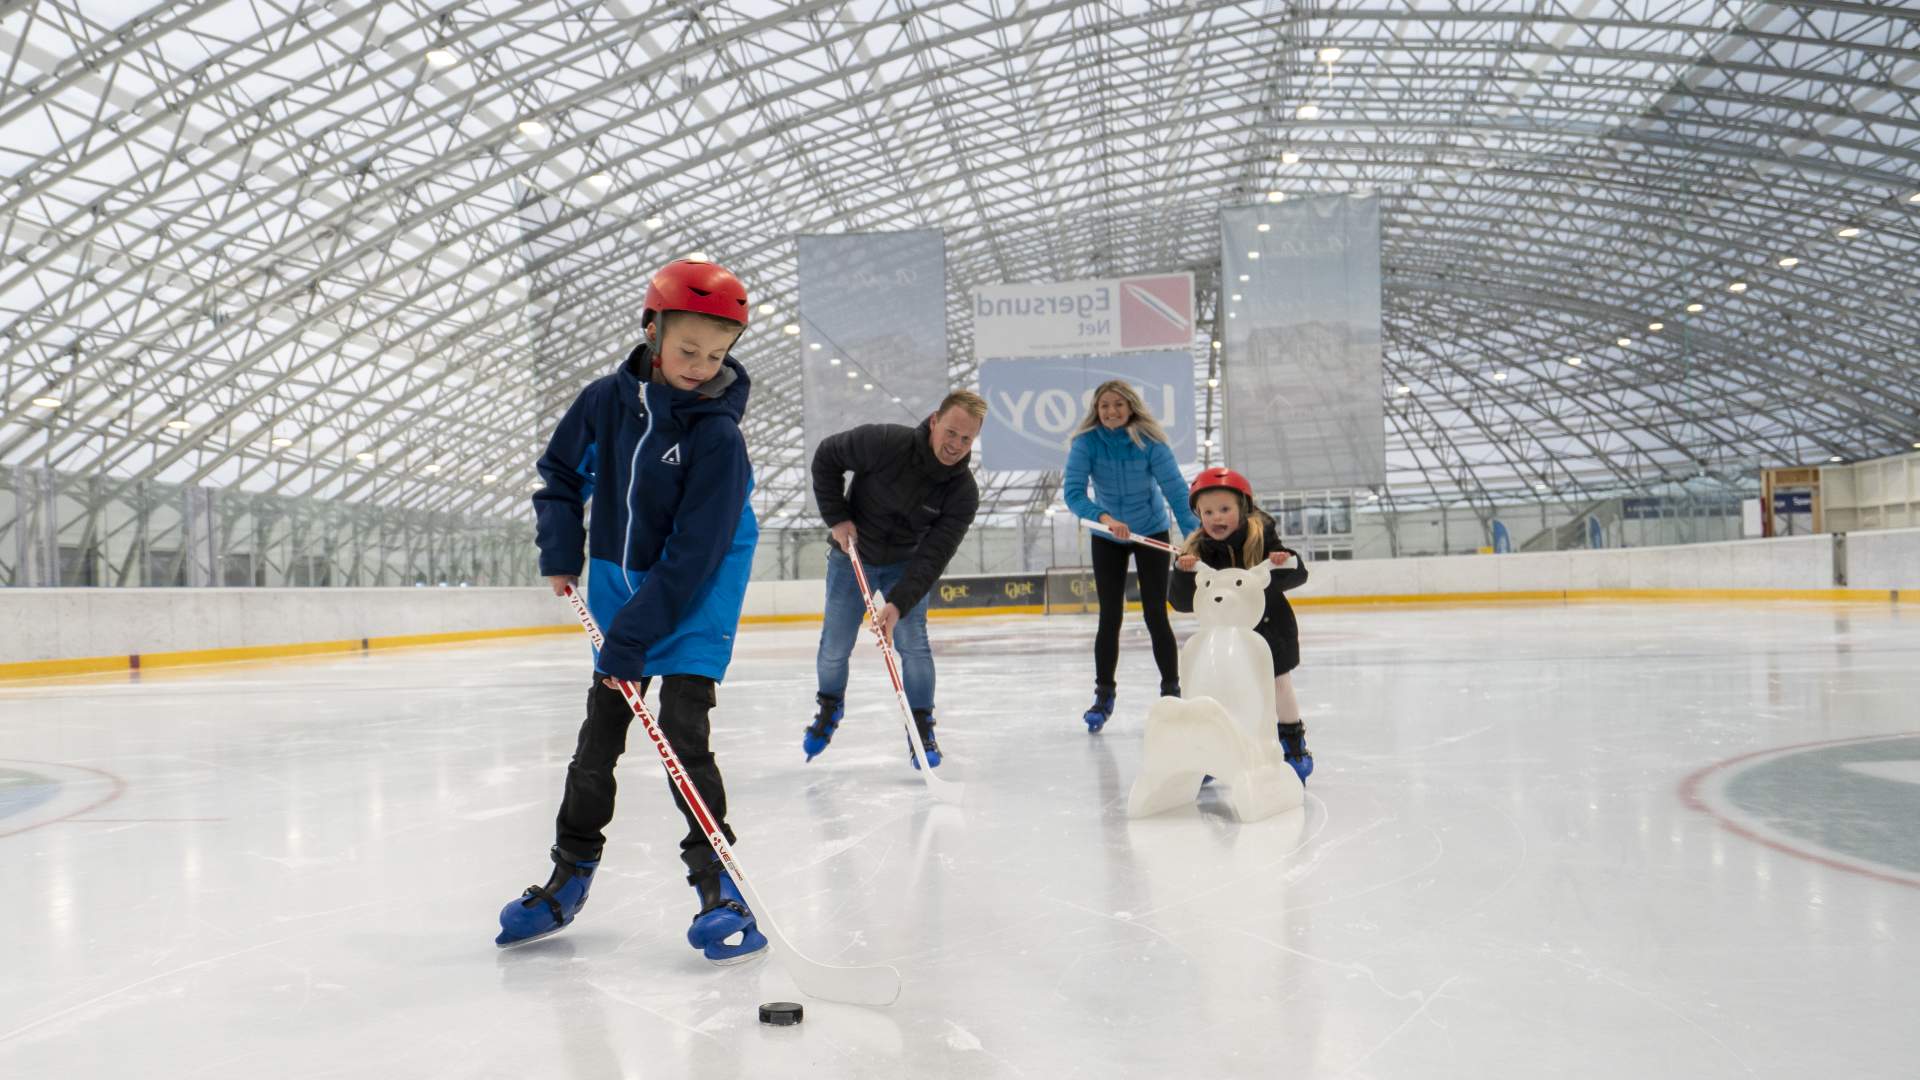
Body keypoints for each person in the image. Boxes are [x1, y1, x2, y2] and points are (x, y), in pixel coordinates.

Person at [498, 258, 766, 963]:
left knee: (682, 731)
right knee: (599, 740)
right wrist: (561, 549)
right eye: (688, 350)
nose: (701, 367)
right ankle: (570, 873)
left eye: (717, 356)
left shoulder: (718, 437)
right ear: (652, 329)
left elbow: (693, 557)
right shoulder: (604, 403)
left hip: (698, 589)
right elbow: (559, 474)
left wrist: (634, 636)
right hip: (623, 585)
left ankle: (722, 886)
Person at [803, 391, 986, 768]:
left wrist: (898, 604)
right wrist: (837, 517)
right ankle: (829, 706)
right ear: (935, 421)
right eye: (951, 432)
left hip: (907, 563)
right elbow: (826, 457)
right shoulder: (886, 442)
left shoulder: (962, 492)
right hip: (852, 555)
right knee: (835, 644)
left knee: (914, 645)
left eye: (967, 439)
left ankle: (920, 728)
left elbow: (935, 555)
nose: (956, 446)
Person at [1061, 379, 1201, 732]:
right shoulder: (1085, 443)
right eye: (1104, 405)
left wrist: (1193, 541)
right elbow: (1074, 494)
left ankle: (1171, 690)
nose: (1111, 411)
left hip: (1150, 530)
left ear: (1131, 407)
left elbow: (1176, 491)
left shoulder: (1150, 442)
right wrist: (1104, 519)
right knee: (1110, 614)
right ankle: (1103, 694)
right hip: (1108, 533)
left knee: (1155, 612)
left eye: (1118, 405)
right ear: (1096, 410)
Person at [1170, 466, 1315, 782]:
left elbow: (1297, 575)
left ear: (1243, 509)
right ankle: (1212, 752)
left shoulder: (1263, 538)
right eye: (1208, 511)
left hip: (1271, 628)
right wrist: (1182, 572)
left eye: (1224, 509)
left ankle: (1293, 743)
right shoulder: (1196, 549)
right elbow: (1181, 603)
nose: (1216, 517)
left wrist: (1284, 561)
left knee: (1279, 684)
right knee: (1218, 690)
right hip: (1224, 640)